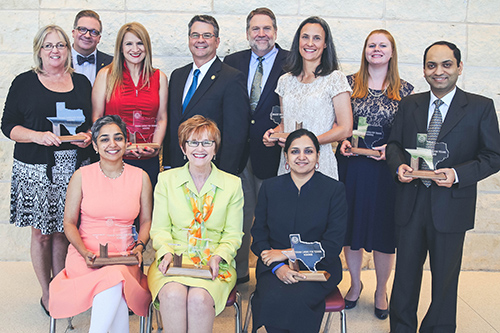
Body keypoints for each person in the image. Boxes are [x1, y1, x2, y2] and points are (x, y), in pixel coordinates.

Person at [386, 41, 500, 332]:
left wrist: (457, 174)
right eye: (431, 65)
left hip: (451, 204)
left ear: (459, 67)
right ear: (424, 69)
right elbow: (395, 145)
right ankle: (401, 328)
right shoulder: (409, 103)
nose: (439, 71)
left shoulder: (480, 107)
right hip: (411, 202)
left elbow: (492, 157)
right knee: (405, 277)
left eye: (446, 64)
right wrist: (398, 164)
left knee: (445, 280)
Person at [1, 25, 93, 316]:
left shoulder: (81, 84)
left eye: (61, 45)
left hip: (71, 169)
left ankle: (62, 286)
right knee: (42, 234)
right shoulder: (24, 82)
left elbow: (89, 123)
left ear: (68, 49)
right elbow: (8, 126)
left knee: (63, 233)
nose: (55, 51)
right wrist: (37, 135)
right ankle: (47, 292)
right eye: (48, 45)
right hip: (36, 169)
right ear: (38, 50)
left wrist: (88, 136)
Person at [336, 29, 414, 319]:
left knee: (383, 233)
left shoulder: (406, 91)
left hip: (385, 173)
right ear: (365, 50)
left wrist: (393, 150)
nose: (377, 49)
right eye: (372, 45)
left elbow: (409, 133)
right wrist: (342, 140)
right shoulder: (347, 85)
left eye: (383, 45)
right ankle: (355, 285)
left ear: (392, 52)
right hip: (352, 168)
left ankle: (381, 290)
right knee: (351, 229)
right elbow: (338, 123)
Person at [49, 115, 152, 331]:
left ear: (127, 142)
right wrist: (84, 251)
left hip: (124, 257)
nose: (112, 144)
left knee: (115, 277)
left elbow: (146, 221)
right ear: (95, 146)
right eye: (104, 139)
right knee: (114, 283)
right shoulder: (81, 176)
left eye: (118, 138)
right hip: (86, 257)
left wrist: (140, 246)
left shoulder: (141, 177)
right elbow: (68, 222)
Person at [148, 115, 243, 333]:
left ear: (215, 148)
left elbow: (233, 234)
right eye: (193, 142)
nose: (200, 148)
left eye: (207, 142)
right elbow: (160, 229)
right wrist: (167, 253)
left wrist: (219, 256)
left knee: (199, 299)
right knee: (172, 294)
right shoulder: (166, 180)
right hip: (175, 257)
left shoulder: (232, 184)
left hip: (214, 260)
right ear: (183, 147)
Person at [251, 129, 347, 333]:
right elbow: (259, 236)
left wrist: (287, 254)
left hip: (318, 268)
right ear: (286, 156)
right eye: (295, 151)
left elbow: (332, 245)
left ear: (318, 156)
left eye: (309, 151)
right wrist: (279, 266)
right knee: (274, 296)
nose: (302, 157)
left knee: (298, 298)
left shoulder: (334, 190)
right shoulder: (270, 188)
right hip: (273, 268)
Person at [223, 7, 289, 283]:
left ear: (275, 31)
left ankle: (269, 273)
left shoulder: (291, 61)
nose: (261, 34)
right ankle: (237, 274)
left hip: (273, 153)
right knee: (237, 215)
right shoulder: (232, 61)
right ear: (247, 33)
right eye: (255, 29)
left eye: (266, 29)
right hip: (236, 152)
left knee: (270, 217)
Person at [263, 16, 352, 180]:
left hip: (320, 162)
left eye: (317, 38)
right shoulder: (285, 80)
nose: (310, 43)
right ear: (298, 42)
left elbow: (345, 128)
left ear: (325, 44)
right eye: (305, 37)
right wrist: (273, 134)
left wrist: (308, 144)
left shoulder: (335, 79)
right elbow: (285, 123)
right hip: (289, 163)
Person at [165, 15, 250, 175]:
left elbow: (235, 134)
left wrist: (225, 174)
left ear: (217, 41)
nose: (200, 40)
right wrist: (169, 164)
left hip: (213, 170)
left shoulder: (231, 78)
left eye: (207, 35)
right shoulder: (177, 76)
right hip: (178, 169)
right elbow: (173, 123)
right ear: (189, 39)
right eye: (195, 35)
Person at [93, 22, 168, 188]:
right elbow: (97, 117)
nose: (135, 49)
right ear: (120, 47)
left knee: (147, 210)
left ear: (147, 46)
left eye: (140, 43)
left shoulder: (159, 77)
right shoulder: (106, 75)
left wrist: (155, 146)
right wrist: (110, 146)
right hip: (114, 158)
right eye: (129, 43)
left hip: (148, 159)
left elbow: (161, 118)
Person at [71, 10, 113, 85]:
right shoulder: (59, 60)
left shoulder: (112, 63)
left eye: (94, 32)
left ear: (99, 38)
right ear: (73, 33)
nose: (87, 36)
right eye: (82, 29)